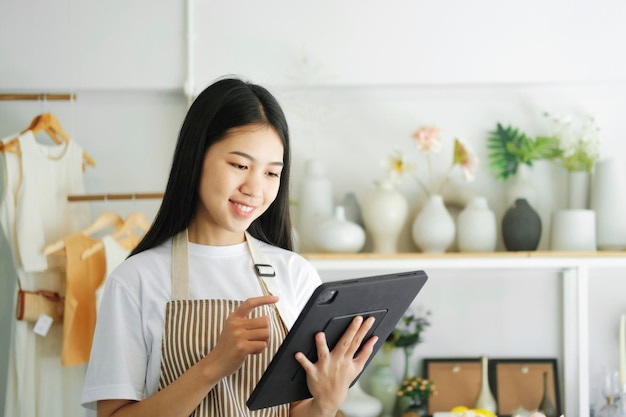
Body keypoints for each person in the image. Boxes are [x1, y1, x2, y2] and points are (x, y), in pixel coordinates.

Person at [80, 77, 378, 417]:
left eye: (271, 173)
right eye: (240, 165)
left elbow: (295, 411)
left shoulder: (295, 274)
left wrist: (326, 402)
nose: (255, 188)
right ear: (197, 157)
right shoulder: (136, 280)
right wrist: (213, 365)